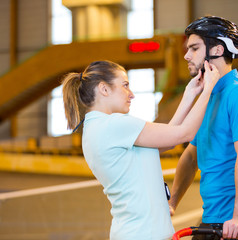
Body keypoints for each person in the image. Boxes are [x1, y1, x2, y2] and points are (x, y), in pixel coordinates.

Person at [61, 60, 220, 240]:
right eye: (125, 85)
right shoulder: (114, 125)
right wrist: (208, 89)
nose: (131, 94)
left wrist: (190, 94)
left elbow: (168, 139)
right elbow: (184, 134)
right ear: (104, 89)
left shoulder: (97, 128)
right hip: (143, 233)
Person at [169, 16, 238, 239]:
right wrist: (172, 202)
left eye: (194, 48)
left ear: (216, 49)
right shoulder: (209, 96)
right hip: (214, 217)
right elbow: (190, 156)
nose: (187, 55)